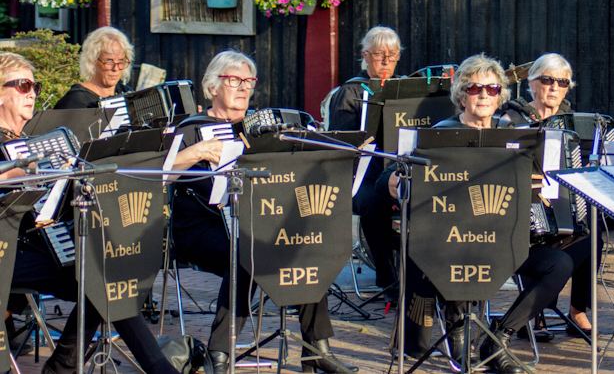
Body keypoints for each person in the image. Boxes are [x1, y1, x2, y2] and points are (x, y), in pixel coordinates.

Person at [379, 54, 575, 374]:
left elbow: (544, 184)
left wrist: (543, 185)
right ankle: (459, 330)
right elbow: (383, 181)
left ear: (501, 97)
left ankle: (498, 337)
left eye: (492, 88)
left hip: (503, 241)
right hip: (453, 242)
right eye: (474, 88)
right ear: (461, 94)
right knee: (463, 250)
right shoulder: (440, 133)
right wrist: (397, 179)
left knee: (559, 263)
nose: (484, 94)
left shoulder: (515, 134)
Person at [170, 51, 357, 374]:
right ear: (212, 87)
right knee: (248, 252)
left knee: (304, 245)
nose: (243, 88)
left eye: (248, 82)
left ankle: (317, 349)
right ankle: (220, 352)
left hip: (257, 221)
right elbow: (161, 173)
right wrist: (197, 151)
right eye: (234, 80)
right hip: (200, 226)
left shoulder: (258, 128)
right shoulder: (192, 128)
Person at [0, 52, 182, 374]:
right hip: (7, 252)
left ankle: (65, 367)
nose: (32, 94)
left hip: (39, 247)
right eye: (23, 85)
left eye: (35, 87)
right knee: (100, 279)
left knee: (107, 277)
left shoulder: (31, 140)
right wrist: (18, 173)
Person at [501, 53, 601, 340]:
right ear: (532, 83)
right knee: (534, 229)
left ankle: (577, 310)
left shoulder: (572, 120)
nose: (555, 87)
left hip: (562, 208)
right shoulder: (512, 119)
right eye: (547, 80)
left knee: (591, 236)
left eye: (562, 82)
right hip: (522, 208)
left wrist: (601, 153)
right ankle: (535, 312)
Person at [322, 26, 403, 295]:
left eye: (392, 55)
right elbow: (339, 146)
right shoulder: (350, 92)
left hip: (399, 172)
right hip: (361, 176)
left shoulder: (404, 89)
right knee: (374, 201)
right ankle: (388, 277)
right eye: (379, 54)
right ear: (365, 56)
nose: (385, 61)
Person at [53, 26, 134, 108]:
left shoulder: (126, 93)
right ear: (92, 61)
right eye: (109, 61)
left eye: (120, 61)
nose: (115, 68)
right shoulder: (76, 101)